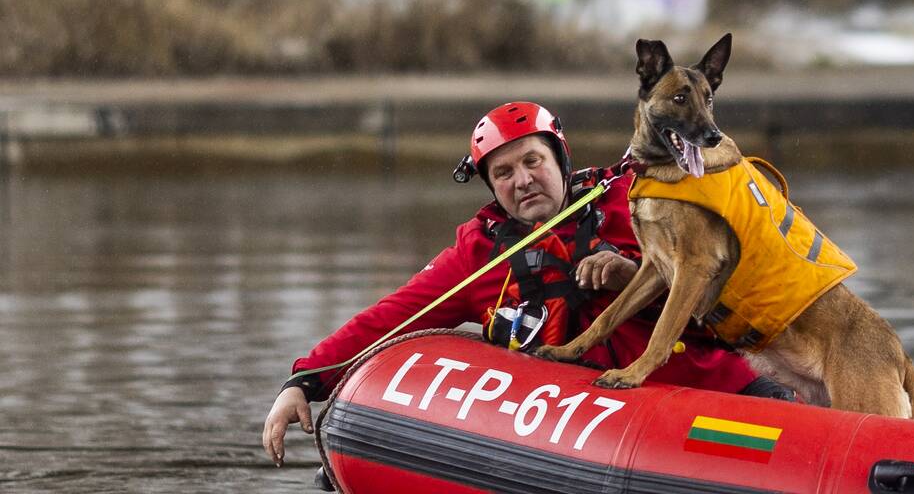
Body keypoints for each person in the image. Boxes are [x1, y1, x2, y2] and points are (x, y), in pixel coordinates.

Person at [262, 102, 785, 466]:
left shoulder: (635, 197)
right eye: (504, 172)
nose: (523, 180)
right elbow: (391, 316)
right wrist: (306, 380)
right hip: (592, 433)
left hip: (716, 389)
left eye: (533, 161)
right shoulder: (479, 254)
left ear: (559, 159)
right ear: (491, 186)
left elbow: (728, 272)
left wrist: (636, 274)